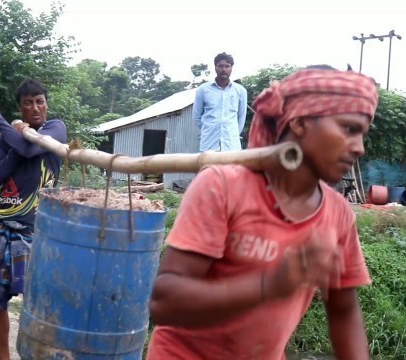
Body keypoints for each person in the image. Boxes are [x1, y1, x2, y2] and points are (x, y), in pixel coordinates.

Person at [146, 65, 378, 359]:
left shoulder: (338, 214)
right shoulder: (223, 186)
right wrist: (270, 284)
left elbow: (344, 312)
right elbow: (166, 304)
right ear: (301, 122)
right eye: (349, 129)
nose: (359, 148)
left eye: (362, 135)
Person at [0, 79, 67, 360]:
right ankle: (4, 358)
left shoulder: (55, 129)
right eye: (28, 103)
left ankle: (38, 355)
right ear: (21, 107)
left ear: (46, 103)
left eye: (39, 101)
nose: (35, 107)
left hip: (37, 229)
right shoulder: (6, 136)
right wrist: (13, 140)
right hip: (2, 225)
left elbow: (31, 150)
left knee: (37, 301)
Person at [193, 52, 248, 152]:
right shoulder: (203, 90)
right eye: (220, 66)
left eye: (227, 66)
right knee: (208, 168)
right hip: (208, 145)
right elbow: (197, 117)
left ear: (231, 68)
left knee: (231, 168)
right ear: (215, 67)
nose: (224, 70)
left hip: (231, 146)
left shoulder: (240, 91)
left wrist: (232, 134)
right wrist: (209, 130)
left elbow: (241, 118)